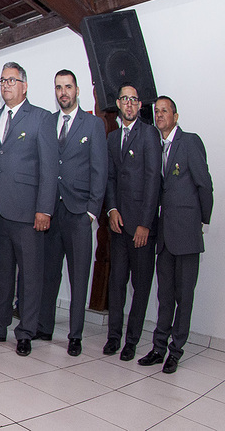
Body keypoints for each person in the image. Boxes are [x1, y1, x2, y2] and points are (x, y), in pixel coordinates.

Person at [0, 62, 58, 357]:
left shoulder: (41, 118)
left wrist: (44, 209)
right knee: (1, 274)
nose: (6, 85)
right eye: (3, 80)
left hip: (28, 212)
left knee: (30, 275)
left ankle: (26, 331)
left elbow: (49, 168)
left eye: (12, 80)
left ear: (24, 85)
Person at [137, 96, 211, 374]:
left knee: (184, 297)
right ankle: (158, 348)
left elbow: (205, 185)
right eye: (156, 112)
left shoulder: (190, 142)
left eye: (164, 111)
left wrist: (200, 221)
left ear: (175, 116)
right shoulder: (157, 147)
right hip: (165, 237)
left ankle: (175, 350)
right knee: (165, 296)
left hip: (188, 236)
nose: (159, 115)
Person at [39, 70, 107, 357]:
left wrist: (92, 212)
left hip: (79, 213)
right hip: (51, 212)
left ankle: (75, 335)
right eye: (58, 87)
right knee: (49, 274)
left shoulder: (93, 124)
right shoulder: (47, 123)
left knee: (79, 278)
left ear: (77, 90)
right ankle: (44, 326)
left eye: (68, 87)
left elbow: (100, 170)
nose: (63, 92)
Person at [103, 85, 161, 361]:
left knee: (141, 285)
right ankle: (113, 337)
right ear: (118, 103)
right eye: (125, 99)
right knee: (116, 284)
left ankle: (132, 341)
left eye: (134, 100)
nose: (129, 104)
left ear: (139, 105)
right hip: (118, 224)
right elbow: (110, 178)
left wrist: (145, 224)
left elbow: (153, 180)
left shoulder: (149, 134)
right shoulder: (113, 138)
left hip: (141, 228)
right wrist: (112, 209)